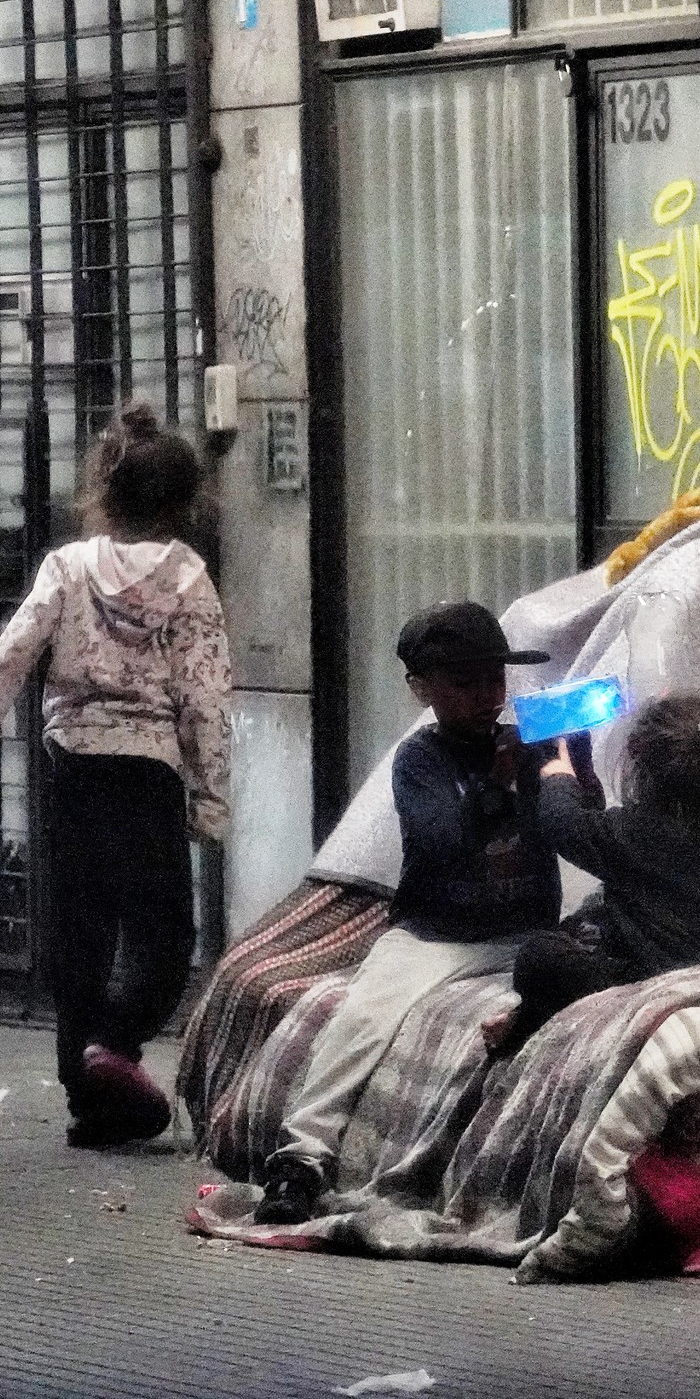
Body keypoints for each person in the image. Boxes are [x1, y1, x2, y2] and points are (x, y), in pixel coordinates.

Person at [256, 601, 558, 1224]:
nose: (487, 696)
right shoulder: (421, 759)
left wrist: (564, 764)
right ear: (423, 690)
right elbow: (444, 840)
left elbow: (576, 826)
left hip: (526, 930)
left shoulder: (529, 743)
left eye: (495, 680)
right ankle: (301, 1160)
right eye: (465, 683)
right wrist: (497, 787)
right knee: (363, 1018)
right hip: (436, 934)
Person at [0, 404, 230, 1147]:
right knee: (165, 933)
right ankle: (117, 1051)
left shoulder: (65, 568)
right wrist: (211, 795)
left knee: (80, 930)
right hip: (149, 770)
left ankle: (88, 1094)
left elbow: (13, 653)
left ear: (104, 487)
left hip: (69, 762)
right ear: (185, 501)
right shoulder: (190, 580)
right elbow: (205, 697)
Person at [490, 694, 700, 1054]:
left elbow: (563, 824)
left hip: (654, 974)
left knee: (538, 956)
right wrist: (581, 773)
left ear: (635, 756)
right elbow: (594, 828)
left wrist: (557, 775)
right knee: (594, 914)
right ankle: (526, 1016)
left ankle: (527, 1021)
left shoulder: (633, 831)